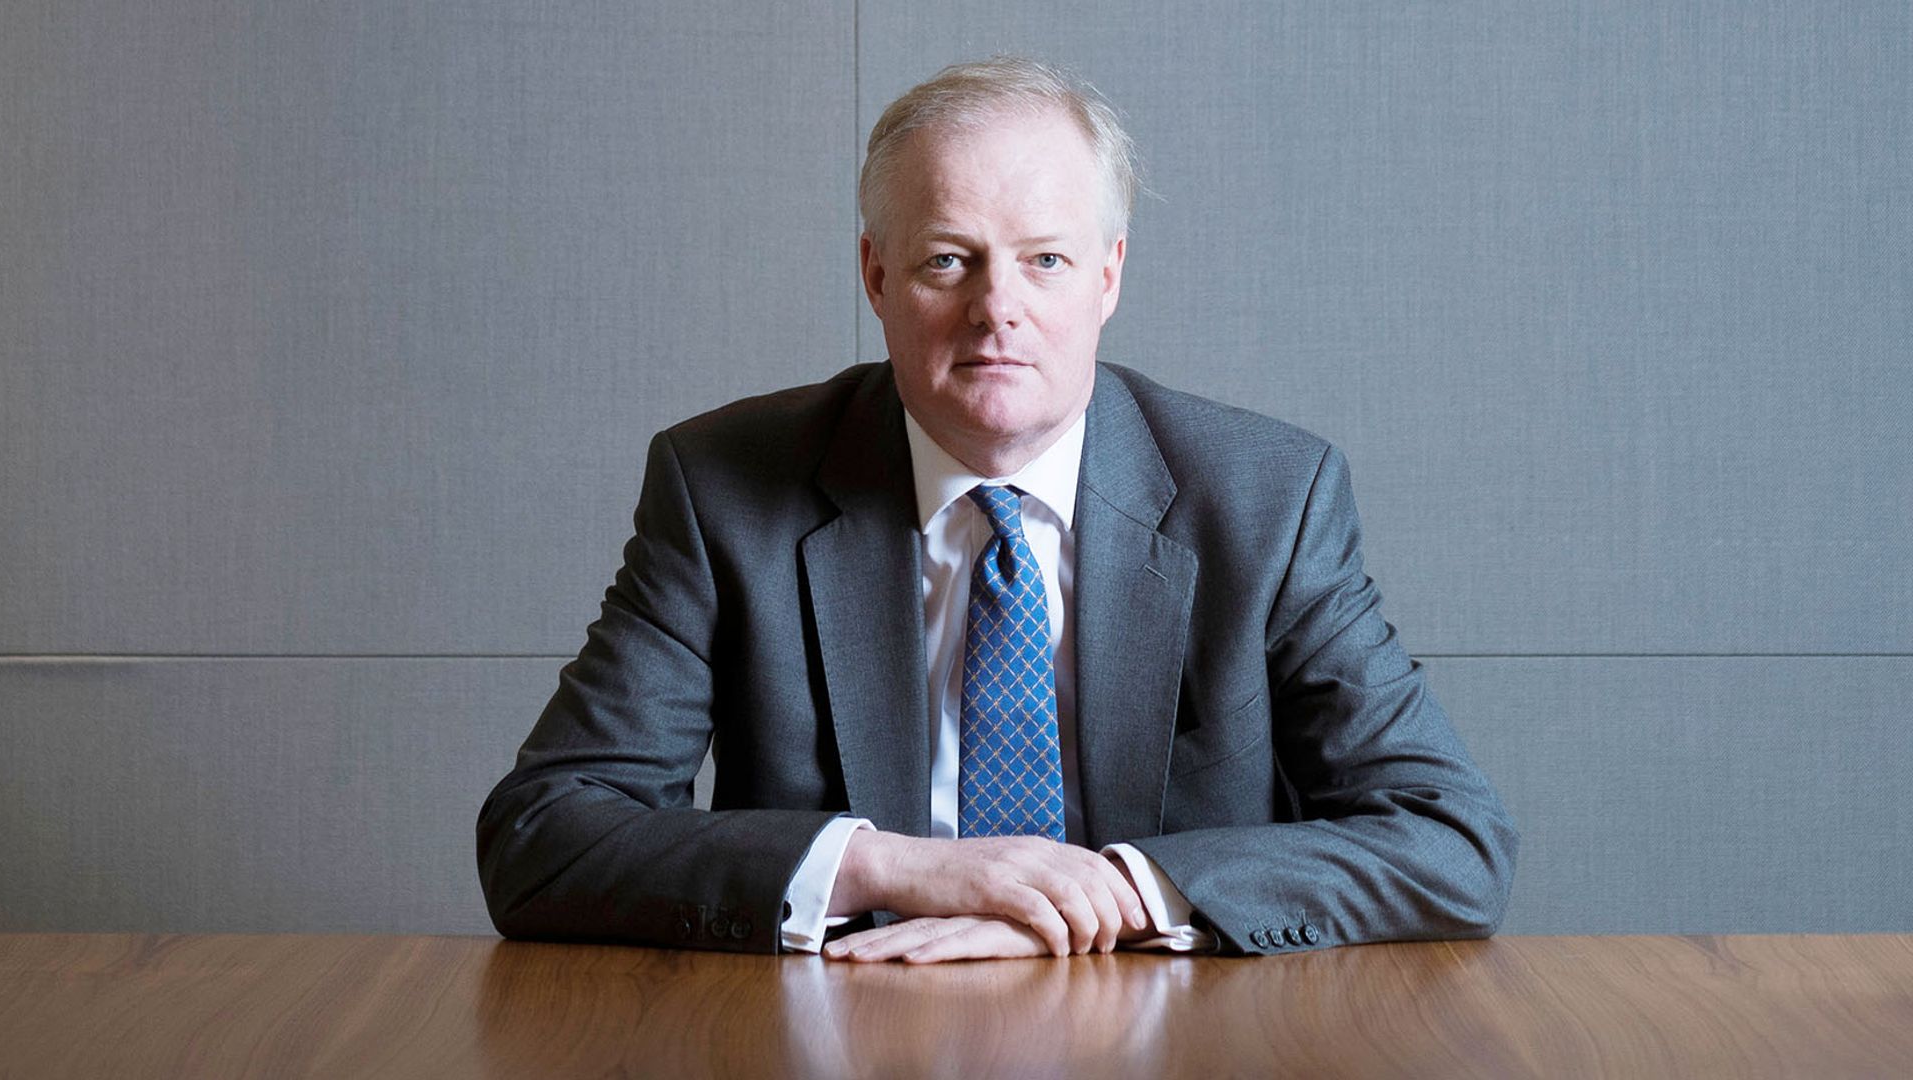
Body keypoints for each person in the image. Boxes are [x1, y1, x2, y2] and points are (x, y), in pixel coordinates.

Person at [476, 56, 1517, 963]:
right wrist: (897, 869)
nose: (996, 310)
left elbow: (1449, 840)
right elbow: (541, 837)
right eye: (947, 259)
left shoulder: (1266, 499)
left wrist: (1108, 898)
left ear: (1108, 277)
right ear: (876, 274)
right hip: (848, 1019)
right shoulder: (724, 490)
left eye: (1044, 260)